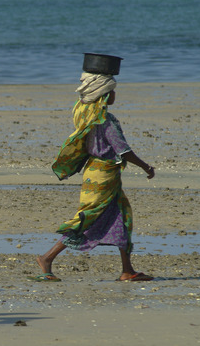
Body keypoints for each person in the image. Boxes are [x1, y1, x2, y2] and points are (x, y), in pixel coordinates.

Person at [32, 72, 156, 282]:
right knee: (88, 219)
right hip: (103, 177)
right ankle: (47, 258)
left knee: (122, 216)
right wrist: (146, 167)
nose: (115, 94)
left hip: (97, 174)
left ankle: (127, 270)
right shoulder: (105, 121)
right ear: (104, 96)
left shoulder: (86, 115)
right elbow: (123, 151)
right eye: (112, 91)